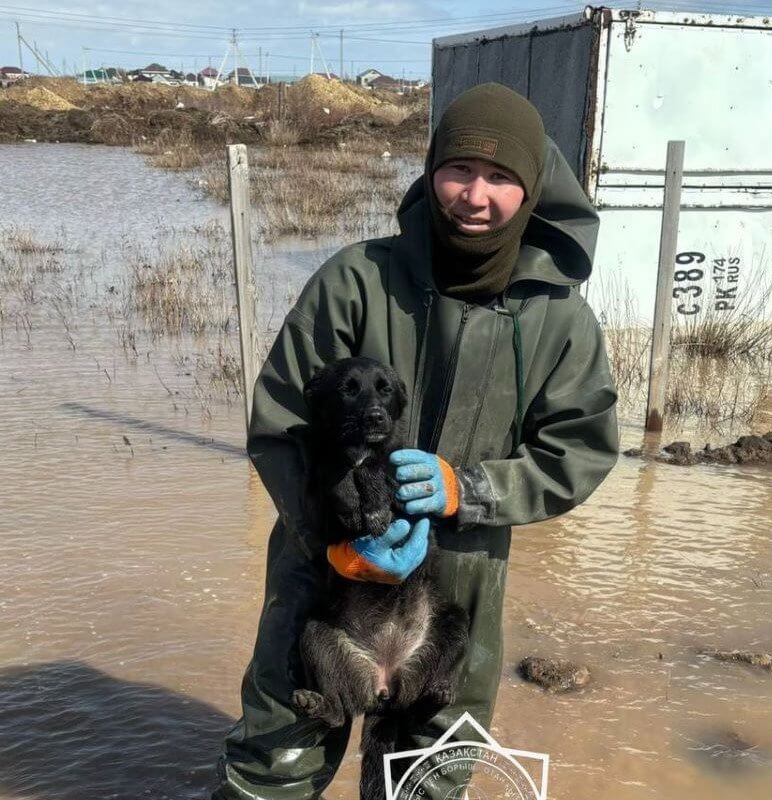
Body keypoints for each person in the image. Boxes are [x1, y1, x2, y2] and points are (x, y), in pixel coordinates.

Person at [212, 83, 619, 800]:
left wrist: (472, 489)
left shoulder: (560, 318)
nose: (475, 194)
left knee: (428, 770)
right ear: (431, 172)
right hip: (324, 575)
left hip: (458, 576)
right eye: (459, 169)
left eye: (501, 177)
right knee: (278, 751)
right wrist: (327, 537)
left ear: (532, 187)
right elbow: (279, 423)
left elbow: (580, 449)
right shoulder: (357, 279)